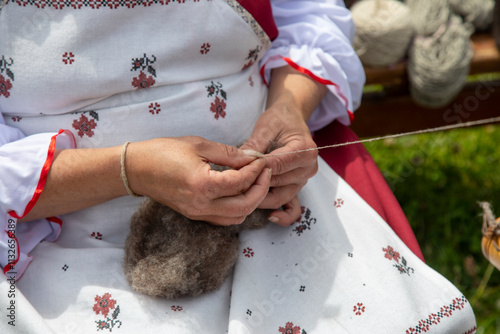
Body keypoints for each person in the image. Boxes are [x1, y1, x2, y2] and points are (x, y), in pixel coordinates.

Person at [0, 0, 476, 332]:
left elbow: (308, 15)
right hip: (54, 224)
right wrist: (130, 170)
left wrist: (290, 108)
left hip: (265, 200)